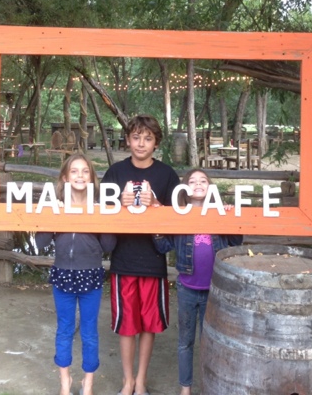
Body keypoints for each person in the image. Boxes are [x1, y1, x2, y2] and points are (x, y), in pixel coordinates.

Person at [101, 114, 181, 395]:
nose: (141, 143)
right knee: (127, 325)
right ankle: (127, 381)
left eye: (148, 138)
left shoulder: (167, 175)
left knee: (149, 325)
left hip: (153, 263)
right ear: (127, 140)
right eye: (136, 137)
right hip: (122, 261)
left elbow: (177, 219)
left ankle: (141, 380)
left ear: (156, 143)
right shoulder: (115, 173)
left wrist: (156, 204)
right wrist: (118, 203)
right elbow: (100, 214)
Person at [152, 169, 243, 395]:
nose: (198, 184)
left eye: (203, 180)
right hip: (187, 289)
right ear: (184, 188)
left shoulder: (219, 213)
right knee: (185, 342)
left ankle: (208, 386)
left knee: (210, 341)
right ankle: (186, 388)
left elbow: (236, 241)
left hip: (214, 290)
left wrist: (232, 216)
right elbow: (164, 246)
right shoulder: (179, 214)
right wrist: (156, 227)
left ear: (210, 187)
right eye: (192, 181)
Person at [36, 153, 116, 395]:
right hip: (62, 276)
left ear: (91, 177)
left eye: (85, 171)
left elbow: (109, 246)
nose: (80, 175)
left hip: (90, 275)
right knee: (64, 329)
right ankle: (65, 382)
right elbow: (40, 243)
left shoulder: (99, 207)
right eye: (74, 171)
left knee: (89, 332)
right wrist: (52, 216)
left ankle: (87, 383)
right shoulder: (55, 206)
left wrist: (104, 218)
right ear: (65, 177)